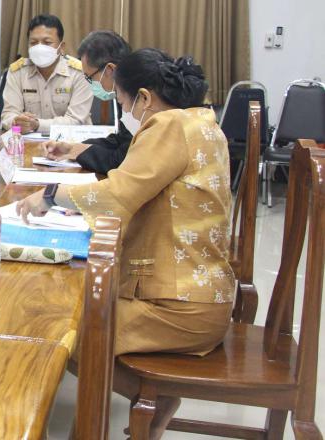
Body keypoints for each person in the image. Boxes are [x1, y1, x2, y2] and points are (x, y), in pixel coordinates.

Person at [16, 48, 234, 439]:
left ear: (144, 98)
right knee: (75, 319)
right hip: (199, 297)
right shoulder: (199, 121)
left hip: (179, 306)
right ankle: (145, 400)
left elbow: (118, 194)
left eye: (121, 101)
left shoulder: (168, 125)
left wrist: (49, 194)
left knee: (64, 332)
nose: (124, 112)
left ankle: (134, 407)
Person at [41, 30, 132, 173]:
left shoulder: (137, 98)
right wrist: (71, 148)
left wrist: (76, 153)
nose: (90, 83)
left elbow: (121, 160)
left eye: (90, 77)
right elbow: (119, 141)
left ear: (110, 70)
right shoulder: (125, 91)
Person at [1, 14, 93, 133]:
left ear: (61, 47)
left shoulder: (80, 72)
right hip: (28, 140)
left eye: (47, 42)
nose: (39, 48)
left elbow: (75, 121)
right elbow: (8, 114)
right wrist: (16, 122)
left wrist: (37, 125)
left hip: (72, 140)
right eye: (33, 42)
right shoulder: (17, 72)